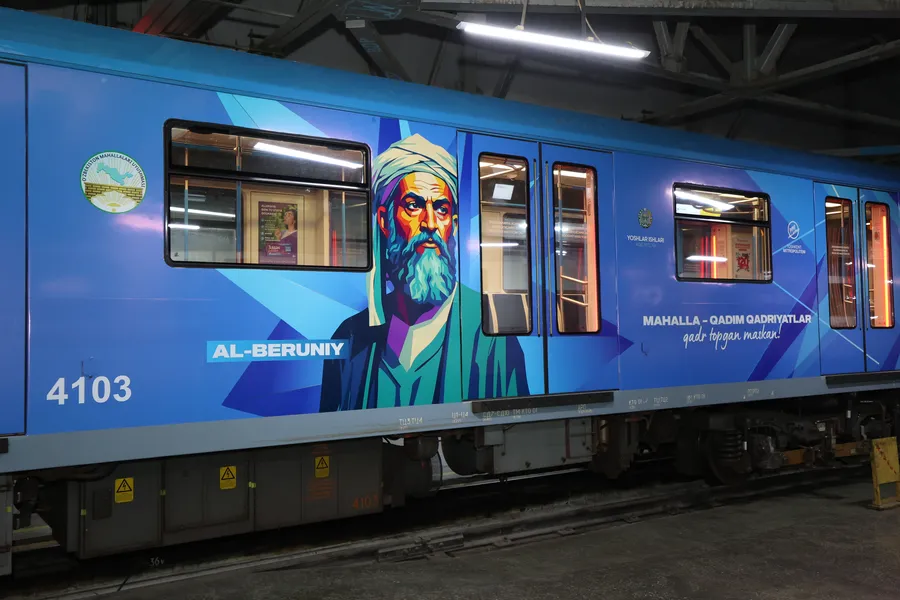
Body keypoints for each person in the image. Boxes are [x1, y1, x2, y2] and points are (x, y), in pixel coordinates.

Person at [319, 134, 529, 411]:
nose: (430, 223)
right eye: (414, 205)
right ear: (384, 220)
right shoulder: (351, 336)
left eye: (441, 209)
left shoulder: (491, 334)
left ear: (453, 224)